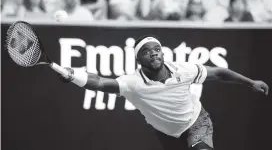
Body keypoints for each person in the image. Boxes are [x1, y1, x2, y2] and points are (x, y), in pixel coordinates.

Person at [61, 36, 269, 150]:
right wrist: (73, 75)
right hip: (166, 134)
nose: (153, 52)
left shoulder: (183, 70)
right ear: (138, 60)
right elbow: (98, 82)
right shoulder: (133, 83)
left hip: (197, 121)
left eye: (157, 48)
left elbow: (220, 73)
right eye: (146, 51)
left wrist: (250, 82)